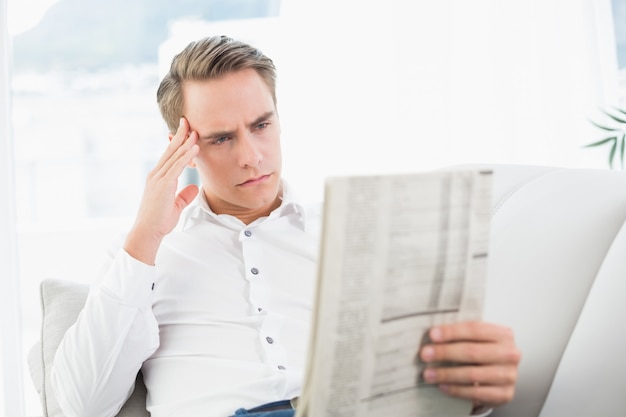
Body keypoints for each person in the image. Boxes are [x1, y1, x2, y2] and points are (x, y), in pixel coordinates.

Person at [50, 35, 521, 417]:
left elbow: (420, 380)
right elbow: (80, 406)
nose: (251, 155)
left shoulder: (352, 235)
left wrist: (473, 386)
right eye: (221, 138)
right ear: (180, 146)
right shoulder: (140, 257)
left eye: (261, 125)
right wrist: (146, 237)